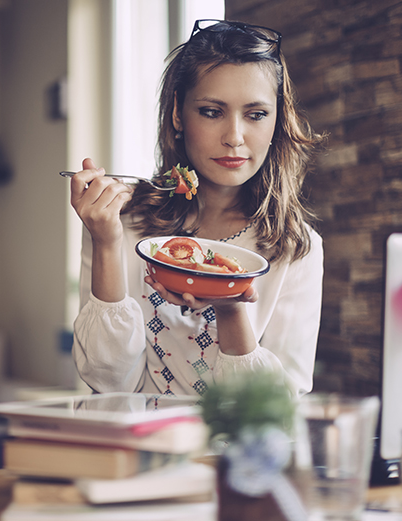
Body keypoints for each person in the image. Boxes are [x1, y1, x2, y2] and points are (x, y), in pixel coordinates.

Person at [69, 19, 325, 397]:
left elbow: (274, 409)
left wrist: (231, 307)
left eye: (256, 115)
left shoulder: (296, 247)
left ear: (276, 123)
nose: (234, 137)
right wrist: (106, 244)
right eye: (211, 111)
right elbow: (107, 384)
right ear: (177, 114)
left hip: (230, 456)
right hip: (135, 450)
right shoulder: (120, 222)